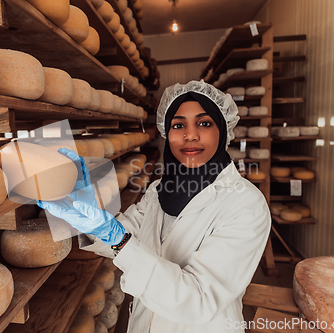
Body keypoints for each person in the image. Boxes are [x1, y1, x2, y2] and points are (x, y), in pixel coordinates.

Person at [38, 79, 271, 333]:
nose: (189, 135)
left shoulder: (246, 204)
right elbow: (123, 233)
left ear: (223, 131)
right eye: (178, 125)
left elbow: (200, 299)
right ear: (166, 133)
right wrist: (96, 219)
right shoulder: (160, 190)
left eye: (204, 123)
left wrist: (118, 239)